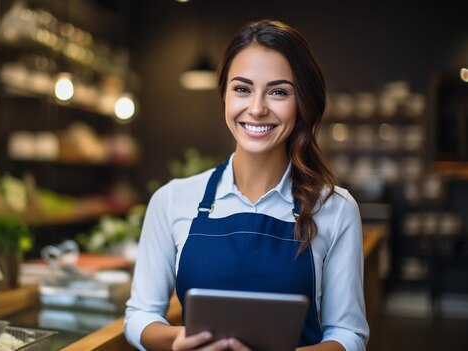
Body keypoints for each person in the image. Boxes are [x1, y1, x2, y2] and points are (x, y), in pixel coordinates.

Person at [124, 19, 369, 351]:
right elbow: (140, 316)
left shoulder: (336, 208)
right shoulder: (171, 200)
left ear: (303, 102)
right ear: (224, 94)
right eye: (242, 88)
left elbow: (347, 335)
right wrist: (178, 341)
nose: (256, 108)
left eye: (278, 92)